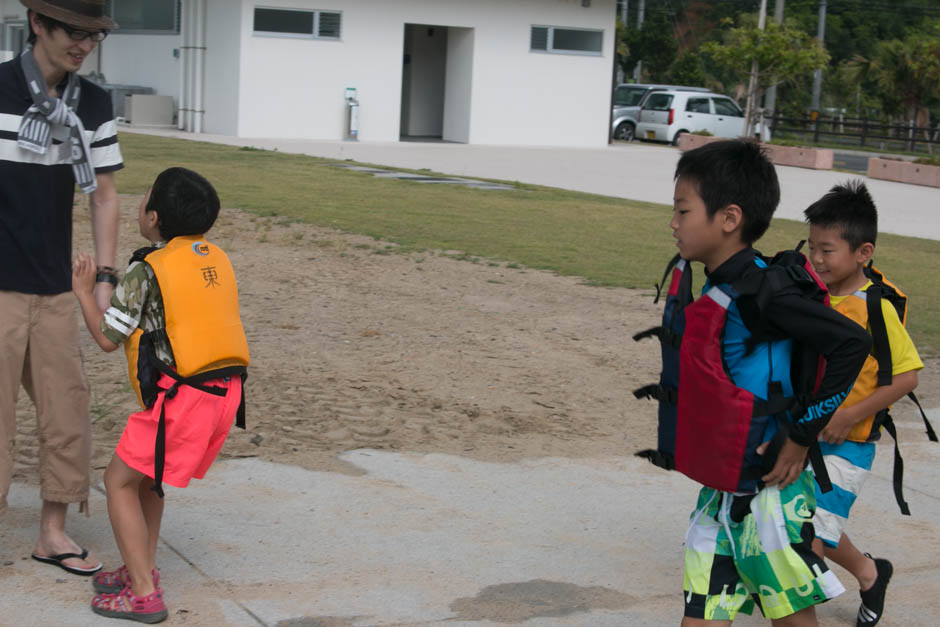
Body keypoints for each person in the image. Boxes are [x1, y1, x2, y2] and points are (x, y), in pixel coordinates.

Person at [641, 140, 871, 626]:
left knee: (791, 620)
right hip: (723, 489)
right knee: (700, 617)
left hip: (771, 495)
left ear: (728, 218)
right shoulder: (718, 284)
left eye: (683, 210)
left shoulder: (764, 292)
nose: (674, 223)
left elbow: (852, 344)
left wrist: (800, 434)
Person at [72, 167, 249, 623]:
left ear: (153, 218)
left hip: (184, 400)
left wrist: (83, 292)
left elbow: (109, 338)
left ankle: (144, 594)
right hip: (223, 395)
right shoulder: (215, 257)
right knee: (147, 481)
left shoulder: (146, 269)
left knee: (117, 482)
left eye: (145, 197)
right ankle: (139, 568)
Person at [0, 0, 121, 576]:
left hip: (53, 288)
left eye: (93, 35)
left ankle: (52, 533)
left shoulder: (93, 103)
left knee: (66, 414)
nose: (84, 45)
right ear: (39, 26)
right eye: (73, 32)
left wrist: (104, 277)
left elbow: (103, 195)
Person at [804, 181, 922, 627]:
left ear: (863, 252)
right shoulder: (809, 296)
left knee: (807, 537)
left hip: (848, 445)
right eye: (811, 247)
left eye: (827, 250)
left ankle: (796, 613)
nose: (816, 259)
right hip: (803, 439)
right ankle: (872, 572)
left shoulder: (875, 309)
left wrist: (852, 414)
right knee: (813, 527)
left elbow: (907, 376)